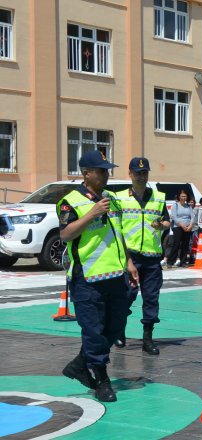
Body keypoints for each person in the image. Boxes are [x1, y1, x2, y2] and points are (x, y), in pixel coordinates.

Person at [57, 150, 140, 402]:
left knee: (115, 327)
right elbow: (65, 235)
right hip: (88, 278)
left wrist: (129, 262)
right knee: (93, 331)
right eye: (101, 171)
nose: (106, 175)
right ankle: (101, 378)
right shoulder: (69, 201)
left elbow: (118, 234)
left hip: (115, 275)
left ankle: (80, 364)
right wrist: (91, 213)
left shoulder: (112, 199)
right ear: (86, 173)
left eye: (107, 170)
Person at [113, 157, 170, 355]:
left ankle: (148, 339)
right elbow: (116, 229)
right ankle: (119, 331)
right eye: (137, 173)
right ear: (130, 174)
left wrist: (162, 225)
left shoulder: (158, 198)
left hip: (152, 258)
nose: (141, 176)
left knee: (151, 299)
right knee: (125, 297)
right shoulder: (119, 198)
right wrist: (126, 258)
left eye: (144, 172)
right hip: (130, 257)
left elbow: (167, 222)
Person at [166, 189, 194, 268]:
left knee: (185, 245)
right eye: (182, 196)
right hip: (178, 227)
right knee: (176, 244)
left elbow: (192, 217)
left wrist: (190, 225)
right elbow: (174, 217)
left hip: (188, 227)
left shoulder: (188, 206)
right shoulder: (175, 205)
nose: (183, 198)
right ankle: (170, 261)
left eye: (185, 196)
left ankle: (183, 261)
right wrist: (182, 225)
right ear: (179, 197)